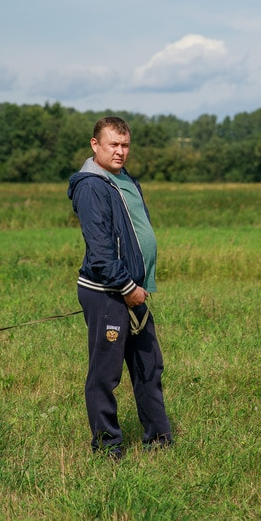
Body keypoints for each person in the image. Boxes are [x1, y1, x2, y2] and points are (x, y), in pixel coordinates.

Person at [67, 116, 173, 460]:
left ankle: (159, 442)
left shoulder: (123, 179)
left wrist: (137, 287)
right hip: (107, 292)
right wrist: (127, 288)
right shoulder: (91, 186)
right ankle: (107, 448)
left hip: (132, 291)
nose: (120, 151)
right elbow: (100, 252)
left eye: (125, 145)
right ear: (95, 145)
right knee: (105, 374)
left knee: (148, 367)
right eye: (113, 144)